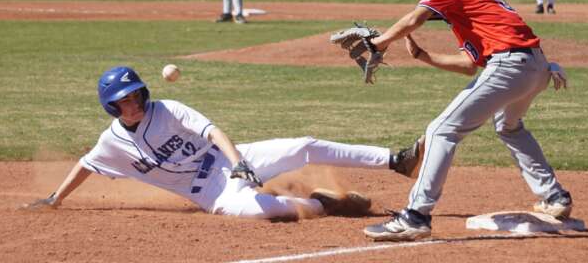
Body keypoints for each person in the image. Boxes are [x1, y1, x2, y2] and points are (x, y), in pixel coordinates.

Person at [361, 0, 571, 241]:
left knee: (440, 130)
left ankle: (416, 215)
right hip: (535, 66)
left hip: (511, 65)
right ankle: (554, 196)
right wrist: (423, 56)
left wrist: (378, 43)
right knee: (509, 126)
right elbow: (469, 65)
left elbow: (414, 19)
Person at [24, 66, 423, 220]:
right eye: (124, 101)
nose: (133, 104)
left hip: (231, 159)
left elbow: (213, 131)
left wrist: (239, 162)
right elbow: (87, 164)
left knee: (304, 145)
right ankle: (325, 203)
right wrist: (56, 198)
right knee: (264, 211)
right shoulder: (112, 143)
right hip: (212, 194)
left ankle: (396, 160)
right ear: (111, 107)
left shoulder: (167, 109)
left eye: (136, 95)